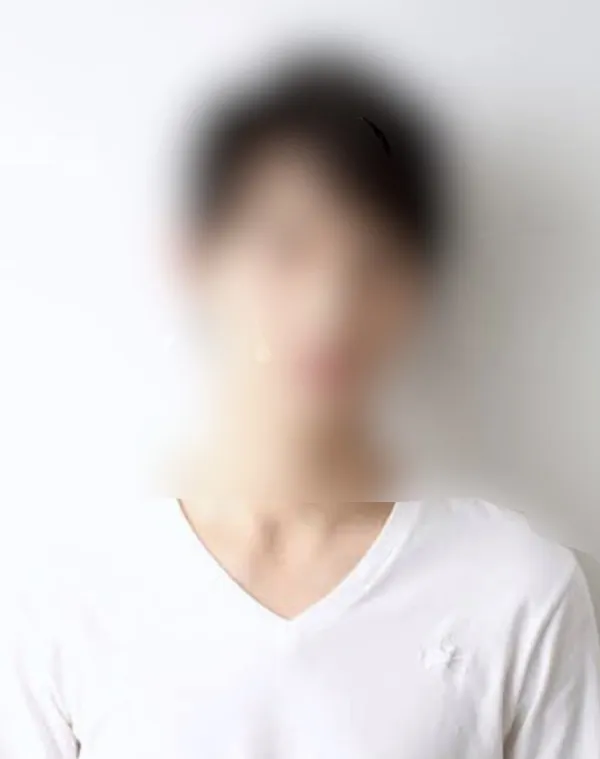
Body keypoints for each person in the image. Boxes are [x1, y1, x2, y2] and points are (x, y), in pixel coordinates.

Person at [1, 53, 599, 759]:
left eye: (374, 261)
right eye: (288, 249)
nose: (331, 307)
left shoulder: (515, 587)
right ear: (198, 262)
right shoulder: (65, 597)